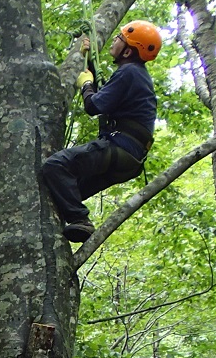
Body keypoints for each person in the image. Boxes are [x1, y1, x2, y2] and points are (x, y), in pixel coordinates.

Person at [42, 20, 162, 243]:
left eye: (119, 38)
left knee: (55, 166)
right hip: (129, 159)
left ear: (127, 50)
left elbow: (94, 106)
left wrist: (86, 84)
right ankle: (78, 221)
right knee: (66, 190)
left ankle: (81, 220)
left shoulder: (129, 73)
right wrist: (89, 63)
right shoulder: (134, 74)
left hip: (119, 147)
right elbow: (108, 96)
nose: (114, 41)